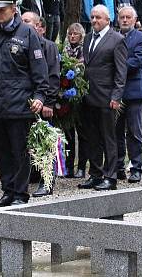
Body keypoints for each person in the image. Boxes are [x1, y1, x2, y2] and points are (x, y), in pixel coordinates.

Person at [0, 0, 48, 207]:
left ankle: (20, 193)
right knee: (2, 151)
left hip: (20, 104)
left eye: (3, 9)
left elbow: (39, 69)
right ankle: (8, 191)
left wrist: (39, 95)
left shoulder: (27, 33)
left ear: (14, 9)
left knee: (20, 151)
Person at [77, 5, 127, 191]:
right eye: (92, 17)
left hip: (107, 97)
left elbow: (121, 72)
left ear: (107, 20)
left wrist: (116, 95)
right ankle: (96, 174)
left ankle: (110, 176)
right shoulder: (88, 38)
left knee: (108, 138)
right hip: (89, 97)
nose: (94, 20)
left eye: (98, 17)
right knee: (92, 137)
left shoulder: (117, 40)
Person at [19, 12, 58, 197]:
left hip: (43, 103)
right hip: (25, 103)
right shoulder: (21, 43)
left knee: (45, 144)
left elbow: (52, 75)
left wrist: (48, 101)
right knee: (27, 143)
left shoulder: (48, 46)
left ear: (38, 26)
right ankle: (26, 179)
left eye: (27, 21)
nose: (23, 24)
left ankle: (47, 181)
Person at [114, 6, 142, 183]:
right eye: (122, 17)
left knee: (134, 132)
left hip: (133, 91)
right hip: (115, 93)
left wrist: (115, 67)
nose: (125, 20)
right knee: (116, 132)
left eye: (128, 17)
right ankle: (118, 167)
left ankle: (136, 167)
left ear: (135, 20)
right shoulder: (113, 37)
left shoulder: (141, 37)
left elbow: (137, 61)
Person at [63, 22, 88, 178]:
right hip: (67, 98)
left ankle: (82, 166)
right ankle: (68, 165)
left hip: (81, 98)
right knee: (68, 135)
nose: (72, 37)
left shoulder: (84, 50)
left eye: (75, 34)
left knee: (83, 134)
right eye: (70, 34)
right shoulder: (64, 50)